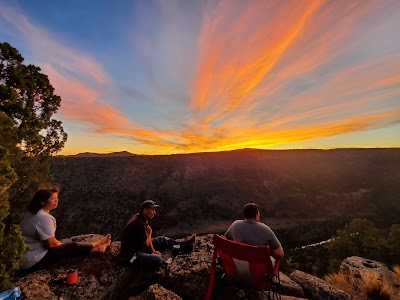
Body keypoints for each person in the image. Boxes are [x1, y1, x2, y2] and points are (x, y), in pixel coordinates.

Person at [19, 188, 111, 270]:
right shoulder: (44, 218)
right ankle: (97, 243)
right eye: (53, 198)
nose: (57, 200)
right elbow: (51, 244)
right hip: (33, 260)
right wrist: (64, 247)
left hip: (24, 258)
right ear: (43, 202)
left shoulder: (31, 213)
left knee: (67, 247)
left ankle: (96, 249)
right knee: (73, 246)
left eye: (57, 198)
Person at [120, 200, 196, 269]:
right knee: (158, 260)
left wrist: (153, 250)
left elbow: (146, 240)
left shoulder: (140, 217)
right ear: (145, 209)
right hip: (131, 257)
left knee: (161, 240)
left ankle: (186, 246)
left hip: (139, 248)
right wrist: (150, 234)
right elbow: (146, 244)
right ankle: (170, 256)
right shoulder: (139, 223)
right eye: (152, 210)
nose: (155, 212)